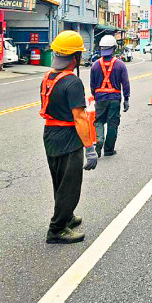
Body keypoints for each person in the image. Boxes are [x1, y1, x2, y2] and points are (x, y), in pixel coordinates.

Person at [40, 31, 98, 245]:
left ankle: (68, 216)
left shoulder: (48, 77)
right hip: (67, 137)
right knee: (70, 185)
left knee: (60, 181)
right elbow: (79, 117)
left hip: (50, 135)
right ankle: (57, 229)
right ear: (75, 57)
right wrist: (90, 147)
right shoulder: (72, 82)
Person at [90, 35, 130, 158]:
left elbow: (92, 85)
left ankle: (99, 139)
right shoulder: (120, 65)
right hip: (114, 99)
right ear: (113, 48)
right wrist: (126, 99)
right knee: (113, 123)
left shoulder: (95, 65)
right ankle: (108, 150)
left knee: (99, 121)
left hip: (100, 98)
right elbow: (125, 83)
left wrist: (95, 96)